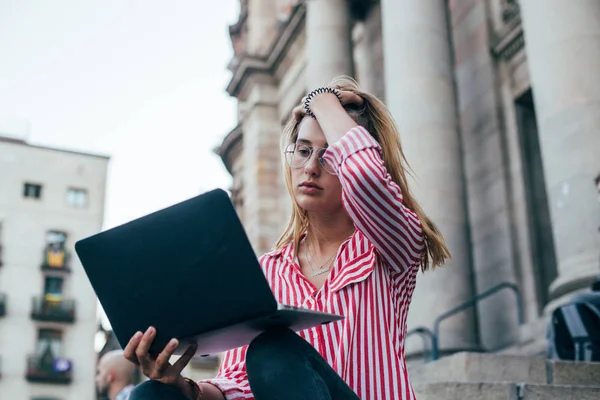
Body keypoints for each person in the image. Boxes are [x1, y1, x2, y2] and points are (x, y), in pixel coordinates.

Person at [124, 76, 451, 400]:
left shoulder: (391, 243)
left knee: (272, 350)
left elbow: (365, 175)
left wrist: (321, 100)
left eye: (330, 155)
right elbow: (239, 383)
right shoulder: (267, 271)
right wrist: (186, 387)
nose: (310, 167)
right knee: (150, 395)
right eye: (304, 150)